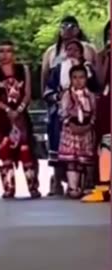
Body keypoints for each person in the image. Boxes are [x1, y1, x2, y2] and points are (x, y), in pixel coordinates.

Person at [0, 41, 41, 199]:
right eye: (1, 51)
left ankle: (33, 186)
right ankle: (9, 187)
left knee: (26, 149)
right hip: (2, 116)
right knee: (5, 150)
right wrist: (7, 109)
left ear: (14, 53)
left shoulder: (23, 70)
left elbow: (28, 92)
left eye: (8, 51)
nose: (5, 55)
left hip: (21, 115)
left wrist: (19, 109)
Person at [44, 39, 100, 195]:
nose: (72, 53)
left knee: (86, 156)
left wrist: (90, 121)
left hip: (87, 121)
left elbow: (97, 90)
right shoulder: (58, 69)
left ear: (81, 52)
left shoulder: (88, 70)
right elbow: (48, 92)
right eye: (68, 50)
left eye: (75, 50)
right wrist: (60, 98)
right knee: (65, 154)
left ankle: (86, 184)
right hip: (64, 119)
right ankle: (61, 183)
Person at [82, 21, 111, 203]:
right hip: (107, 101)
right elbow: (100, 80)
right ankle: (103, 187)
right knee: (105, 144)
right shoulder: (102, 55)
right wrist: (107, 58)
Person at [57, 65, 96, 199]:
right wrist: (70, 123)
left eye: (81, 77)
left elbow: (94, 113)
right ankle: (72, 187)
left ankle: (81, 187)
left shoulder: (90, 95)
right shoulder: (67, 95)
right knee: (71, 160)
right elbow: (62, 112)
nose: (78, 81)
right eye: (74, 78)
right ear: (70, 79)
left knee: (82, 160)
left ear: (86, 78)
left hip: (85, 131)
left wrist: (89, 125)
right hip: (71, 130)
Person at [41, 16, 96, 93]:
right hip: (58, 95)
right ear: (60, 31)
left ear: (78, 30)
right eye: (64, 27)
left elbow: (96, 74)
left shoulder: (89, 48)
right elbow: (45, 77)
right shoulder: (51, 51)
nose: (67, 30)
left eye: (72, 27)